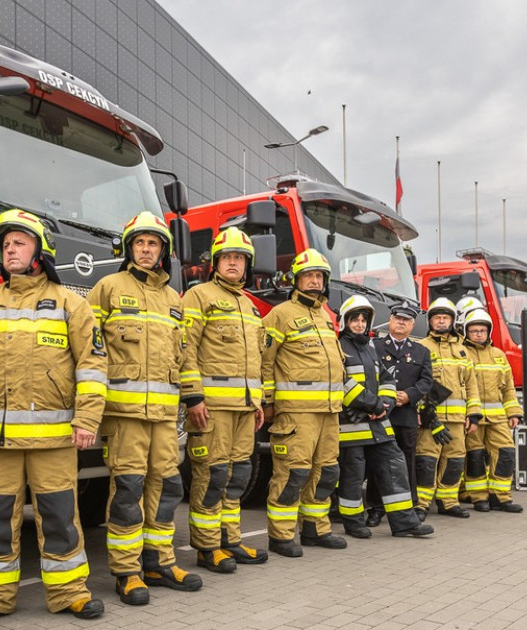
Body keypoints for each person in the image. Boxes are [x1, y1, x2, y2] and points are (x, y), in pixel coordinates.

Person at [0, 209, 106, 627]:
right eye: (6, 244)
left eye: (20, 243)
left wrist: (87, 419)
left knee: (60, 518)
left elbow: (92, 368)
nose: (10, 250)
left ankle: (70, 592)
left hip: (55, 441)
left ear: (40, 251)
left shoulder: (72, 303)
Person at [88, 211, 200, 605]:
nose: (147, 249)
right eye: (140, 242)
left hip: (165, 418)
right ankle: (127, 570)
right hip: (125, 417)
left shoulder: (174, 300)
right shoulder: (107, 288)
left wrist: (194, 399)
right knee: (128, 491)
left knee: (168, 488)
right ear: (129, 248)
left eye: (153, 243)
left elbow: (185, 357)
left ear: (163, 250)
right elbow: (89, 351)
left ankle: (160, 562)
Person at [179, 227, 269, 572]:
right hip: (211, 409)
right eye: (227, 257)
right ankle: (206, 547)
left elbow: (255, 360)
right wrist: (193, 398)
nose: (233, 263)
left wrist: (257, 400)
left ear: (247, 265)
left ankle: (230, 540)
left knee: (237, 477)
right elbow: (185, 350)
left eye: (240, 258)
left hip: (245, 410)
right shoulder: (198, 297)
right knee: (212, 476)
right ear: (215, 262)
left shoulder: (249, 306)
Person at [261, 249, 350, 557]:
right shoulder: (280, 314)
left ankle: (315, 529)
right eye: (308, 276)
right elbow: (265, 361)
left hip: (329, 412)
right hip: (296, 413)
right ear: (296, 279)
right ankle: (281, 535)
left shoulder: (326, 316)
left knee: (326, 473)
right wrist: (268, 402)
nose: (314, 281)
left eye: (319, 276)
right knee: (292, 474)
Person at [334, 296, 434, 538]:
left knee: (395, 465)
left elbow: (387, 379)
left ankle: (404, 523)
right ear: (345, 321)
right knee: (353, 474)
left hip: (378, 422)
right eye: (354, 319)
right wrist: (374, 403)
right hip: (352, 425)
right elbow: (341, 382)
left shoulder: (370, 347)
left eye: (363, 320)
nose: (359, 324)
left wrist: (386, 404)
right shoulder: (337, 346)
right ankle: (353, 522)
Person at [415, 298, 483, 519]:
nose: (441, 321)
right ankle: (422, 504)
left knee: (455, 460)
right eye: (437, 317)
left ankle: (449, 501)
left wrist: (473, 415)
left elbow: (471, 385)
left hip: (457, 418)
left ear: (452, 321)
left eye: (445, 317)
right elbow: (417, 383)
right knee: (426, 459)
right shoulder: (421, 347)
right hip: (430, 417)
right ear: (430, 321)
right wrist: (422, 412)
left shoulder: (463, 351)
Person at [370, 301, 433, 527]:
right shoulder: (374, 346)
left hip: (406, 414)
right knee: (380, 460)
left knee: (407, 462)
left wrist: (409, 395)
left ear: (412, 324)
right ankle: (376, 508)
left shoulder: (421, 351)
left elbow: (427, 381)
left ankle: (409, 506)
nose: (400, 323)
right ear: (390, 320)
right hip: (381, 413)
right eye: (397, 319)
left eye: (406, 320)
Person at [459, 310, 523, 511]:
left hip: (498, 418)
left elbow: (508, 387)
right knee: (475, 456)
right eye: (474, 330)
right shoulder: (461, 353)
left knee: (505, 453)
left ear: (489, 332)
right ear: (466, 332)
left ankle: (501, 497)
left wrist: (513, 412)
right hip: (473, 418)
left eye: (482, 330)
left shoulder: (499, 355)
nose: (478, 334)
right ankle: (479, 498)